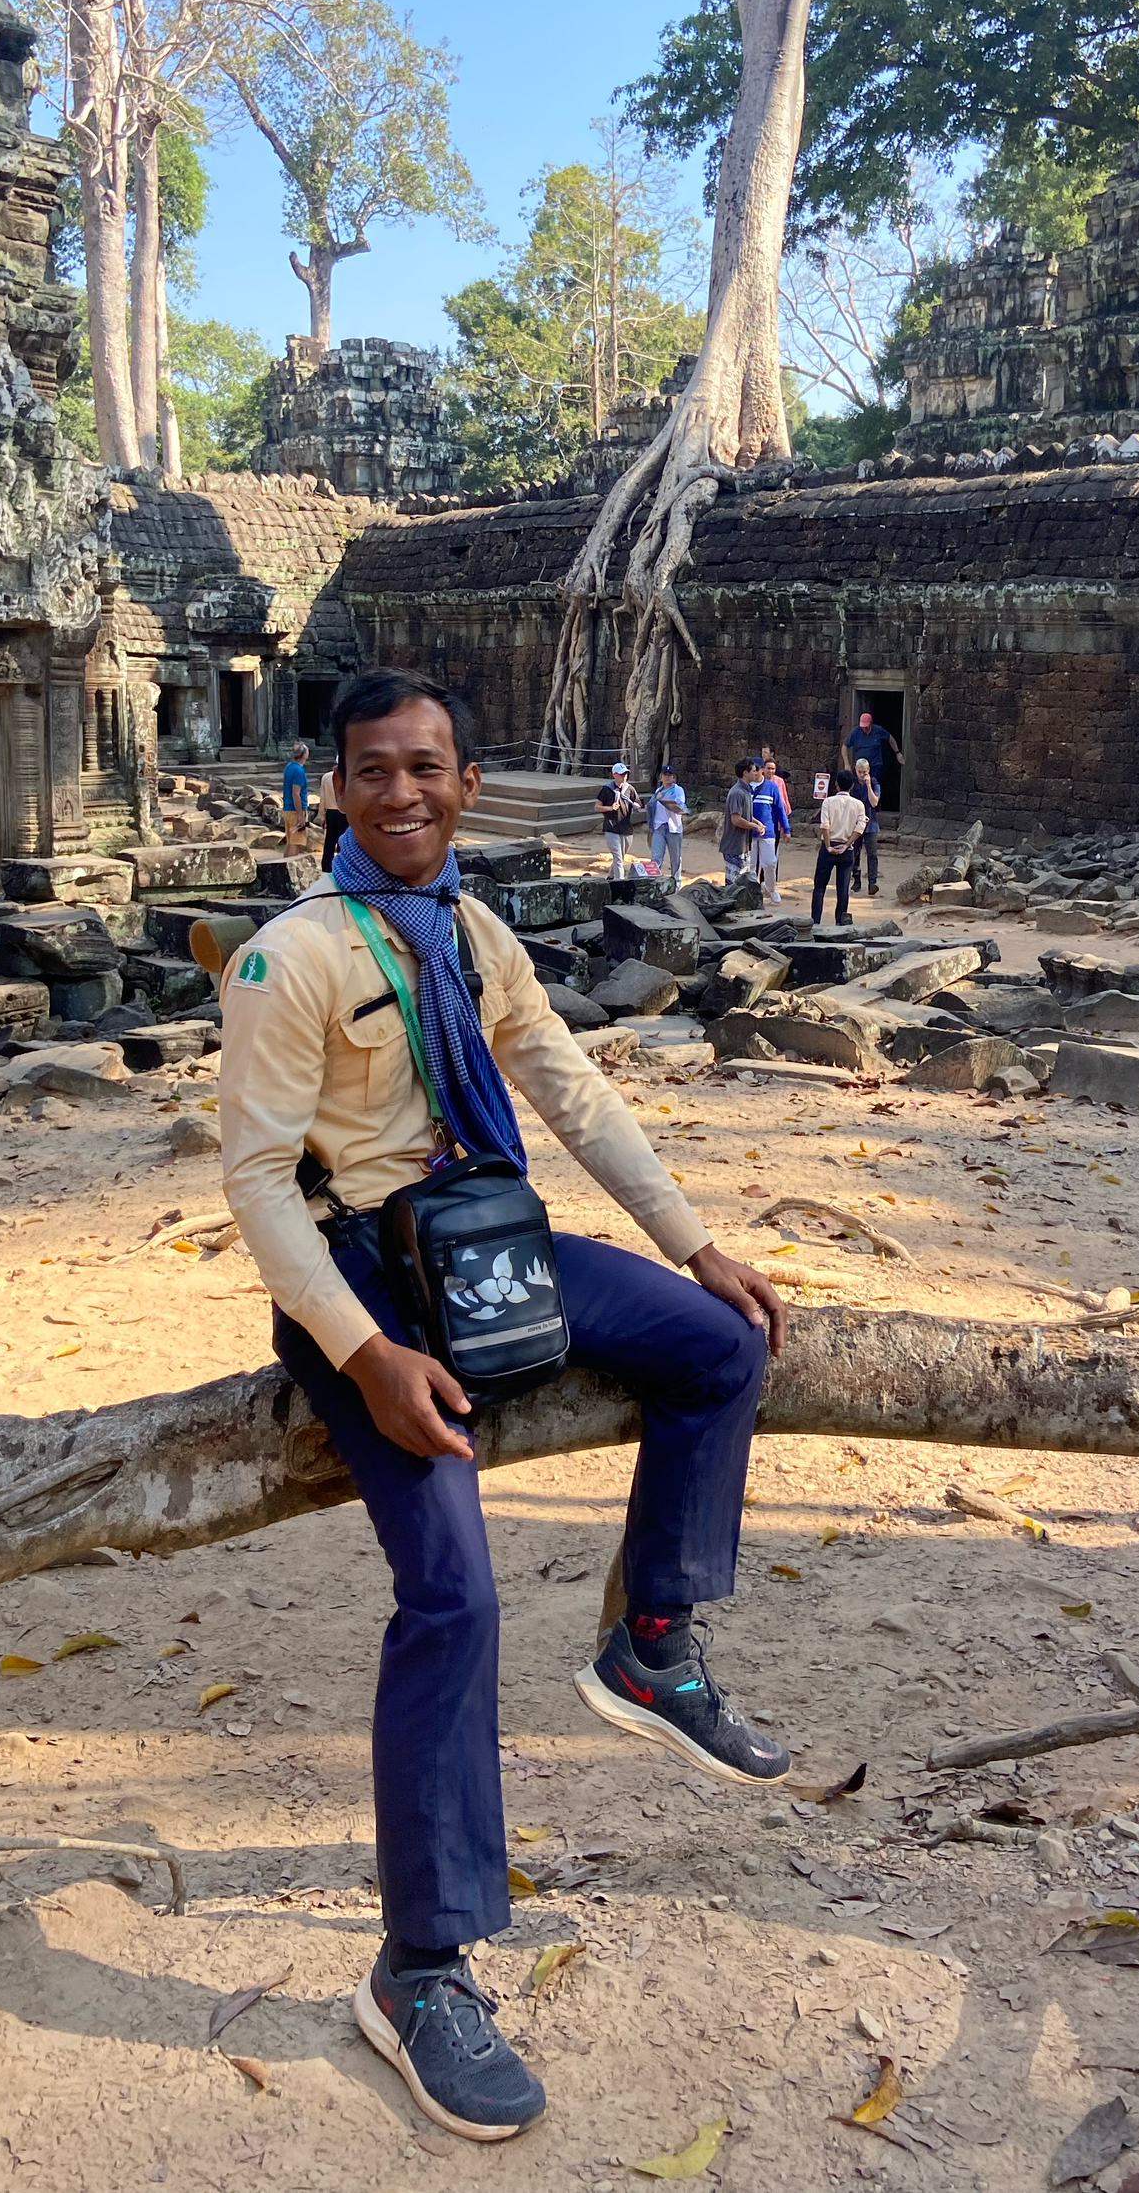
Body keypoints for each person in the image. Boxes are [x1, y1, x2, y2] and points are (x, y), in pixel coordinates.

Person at [220, 668, 789, 2144]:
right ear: (329, 791)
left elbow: (572, 1093)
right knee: (453, 1600)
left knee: (720, 1347)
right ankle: (418, 1970)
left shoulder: (474, 935)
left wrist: (691, 1241)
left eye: (423, 768)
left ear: (464, 781)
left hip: (489, 1246)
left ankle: (651, 1643)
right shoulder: (289, 958)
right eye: (368, 773)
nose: (398, 795)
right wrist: (360, 1356)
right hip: (361, 1282)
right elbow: (255, 1184)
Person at [813, 773, 867, 928]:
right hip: (846, 848)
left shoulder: (828, 802)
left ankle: (815, 922)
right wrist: (847, 844)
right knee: (843, 889)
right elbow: (860, 827)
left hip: (828, 847)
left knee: (820, 887)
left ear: (836, 784)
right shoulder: (858, 804)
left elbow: (825, 825)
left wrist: (829, 845)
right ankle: (840, 923)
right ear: (852, 786)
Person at [746, 764, 789, 903]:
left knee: (770, 862)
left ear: (761, 771)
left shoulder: (772, 787)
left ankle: (771, 889)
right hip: (748, 832)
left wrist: (786, 829)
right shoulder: (745, 787)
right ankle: (752, 892)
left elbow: (779, 810)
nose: (753, 773)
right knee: (750, 865)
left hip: (768, 831)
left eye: (755, 770)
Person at [595, 760, 642, 877]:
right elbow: (597, 807)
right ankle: (619, 881)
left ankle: (611, 877)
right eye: (621, 774)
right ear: (614, 775)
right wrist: (610, 808)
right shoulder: (607, 789)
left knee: (620, 856)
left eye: (625, 774)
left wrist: (636, 805)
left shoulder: (630, 789)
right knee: (618, 856)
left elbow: (638, 803)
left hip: (626, 828)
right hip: (611, 827)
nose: (624, 776)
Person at [719, 757, 762, 883]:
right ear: (745, 773)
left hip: (742, 845)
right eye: (753, 771)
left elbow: (745, 815)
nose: (756, 773)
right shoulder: (737, 793)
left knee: (741, 883)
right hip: (734, 846)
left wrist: (757, 823)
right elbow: (736, 820)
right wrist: (754, 827)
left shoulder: (746, 791)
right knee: (734, 885)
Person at [651, 762, 687, 890]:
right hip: (659, 826)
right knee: (656, 857)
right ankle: (654, 883)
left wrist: (663, 799)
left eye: (669, 775)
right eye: (665, 775)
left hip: (674, 827)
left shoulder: (678, 790)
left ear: (673, 777)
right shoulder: (658, 791)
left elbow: (679, 808)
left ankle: (676, 884)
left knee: (675, 858)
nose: (667, 777)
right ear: (661, 777)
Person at [849, 755, 881, 898]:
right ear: (855, 770)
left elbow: (874, 802)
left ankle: (872, 882)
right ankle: (856, 879)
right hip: (856, 824)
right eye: (859, 772)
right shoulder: (852, 784)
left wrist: (868, 785)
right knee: (855, 852)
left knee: (872, 854)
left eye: (864, 772)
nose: (862, 775)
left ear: (868, 770)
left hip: (871, 824)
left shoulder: (874, 783)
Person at [281, 741, 311, 847]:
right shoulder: (299, 771)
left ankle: (285, 863)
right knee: (295, 844)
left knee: (290, 843)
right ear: (304, 754)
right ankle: (291, 863)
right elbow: (296, 793)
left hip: (287, 808)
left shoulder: (289, 767)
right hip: (295, 810)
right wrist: (300, 815)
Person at [317, 764, 346, 871]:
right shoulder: (345, 776)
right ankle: (341, 865)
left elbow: (322, 798)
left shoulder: (326, 777)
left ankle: (326, 866)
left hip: (330, 811)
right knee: (343, 840)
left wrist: (321, 816)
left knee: (330, 840)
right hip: (343, 812)